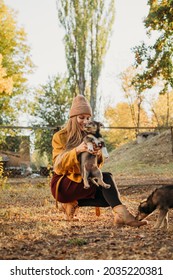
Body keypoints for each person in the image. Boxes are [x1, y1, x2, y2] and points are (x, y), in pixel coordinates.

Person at [50, 95, 147, 227]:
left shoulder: (91, 135)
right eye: (81, 117)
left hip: (83, 180)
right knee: (106, 178)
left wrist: (98, 154)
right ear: (73, 118)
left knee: (108, 197)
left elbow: (97, 166)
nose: (85, 121)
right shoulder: (60, 136)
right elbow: (58, 167)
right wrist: (77, 150)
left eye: (88, 118)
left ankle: (117, 215)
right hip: (63, 185)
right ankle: (124, 215)